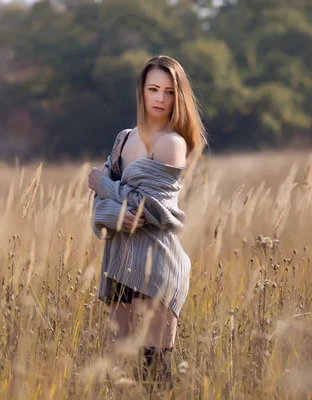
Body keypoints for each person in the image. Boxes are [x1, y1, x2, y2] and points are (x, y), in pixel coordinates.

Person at [87, 55, 206, 388]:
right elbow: (98, 211)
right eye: (153, 89)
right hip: (119, 264)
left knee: (153, 376)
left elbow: (143, 212)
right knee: (117, 373)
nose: (160, 99)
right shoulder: (124, 138)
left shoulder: (172, 143)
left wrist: (103, 184)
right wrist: (111, 210)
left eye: (169, 92)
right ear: (141, 91)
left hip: (156, 266)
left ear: (178, 96)